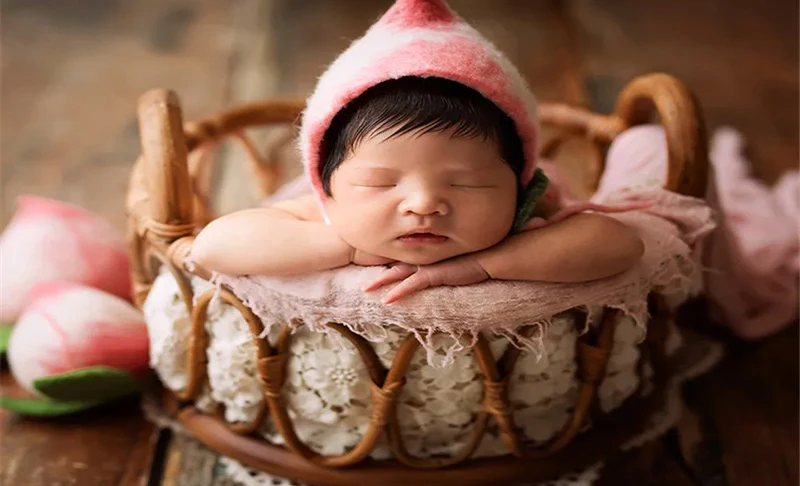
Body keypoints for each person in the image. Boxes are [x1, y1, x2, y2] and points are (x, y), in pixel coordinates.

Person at [190, 0, 645, 304]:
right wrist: (346, 247)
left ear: (518, 183)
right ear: (327, 186)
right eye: (379, 183)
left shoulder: (526, 215)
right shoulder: (326, 215)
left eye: (468, 182)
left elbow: (621, 243)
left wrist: (484, 264)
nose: (424, 203)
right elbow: (212, 246)